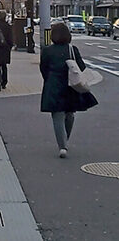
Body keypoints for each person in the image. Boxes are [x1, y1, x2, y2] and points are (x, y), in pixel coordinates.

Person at [40, 22, 98, 158]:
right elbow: (82, 67)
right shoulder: (72, 49)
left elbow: (43, 68)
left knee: (57, 115)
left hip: (53, 85)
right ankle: (65, 138)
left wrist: (49, 79)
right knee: (70, 114)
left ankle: (62, 146)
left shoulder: (47, 50)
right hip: (70, 86)